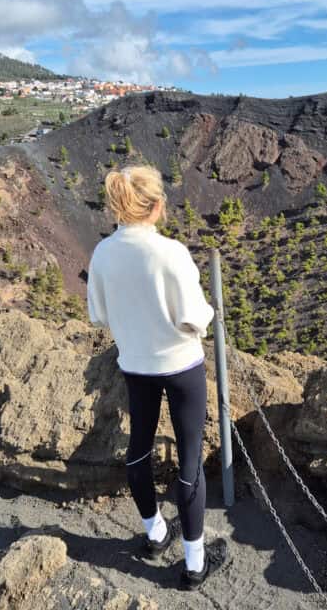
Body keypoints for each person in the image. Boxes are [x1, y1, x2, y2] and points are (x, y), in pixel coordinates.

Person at [86, 163, 228, 590]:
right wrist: (209, 315)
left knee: (138, 452)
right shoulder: (170, 253)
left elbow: (99, 315)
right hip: (182, 367)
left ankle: (155, 534)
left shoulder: (103, 254)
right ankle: (194, 563)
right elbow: (193, 319)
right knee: (188, 465)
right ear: (156, 205)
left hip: (135, 365)